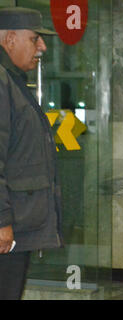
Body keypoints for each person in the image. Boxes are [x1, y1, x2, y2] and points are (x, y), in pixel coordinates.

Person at [0, 7, 62, 300]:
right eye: (35, 39)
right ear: (10, 38)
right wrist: (2, 220)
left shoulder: (12, 81)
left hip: (18, 226)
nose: (42, 47)